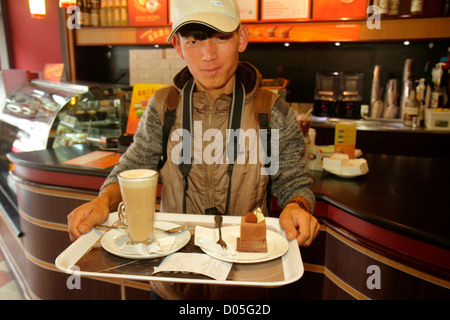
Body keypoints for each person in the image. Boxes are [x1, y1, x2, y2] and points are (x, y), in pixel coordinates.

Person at [67, 0, 319, 299]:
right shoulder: (164, 107)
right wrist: (102, 201)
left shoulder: (272, 110)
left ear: (242, 38)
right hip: (173, 282)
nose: (208, 55)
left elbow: (294, 181)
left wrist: (297, 206)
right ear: (178, 46)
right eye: (194, 40)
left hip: (244, 285)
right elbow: (132, 168)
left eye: (221, 37)